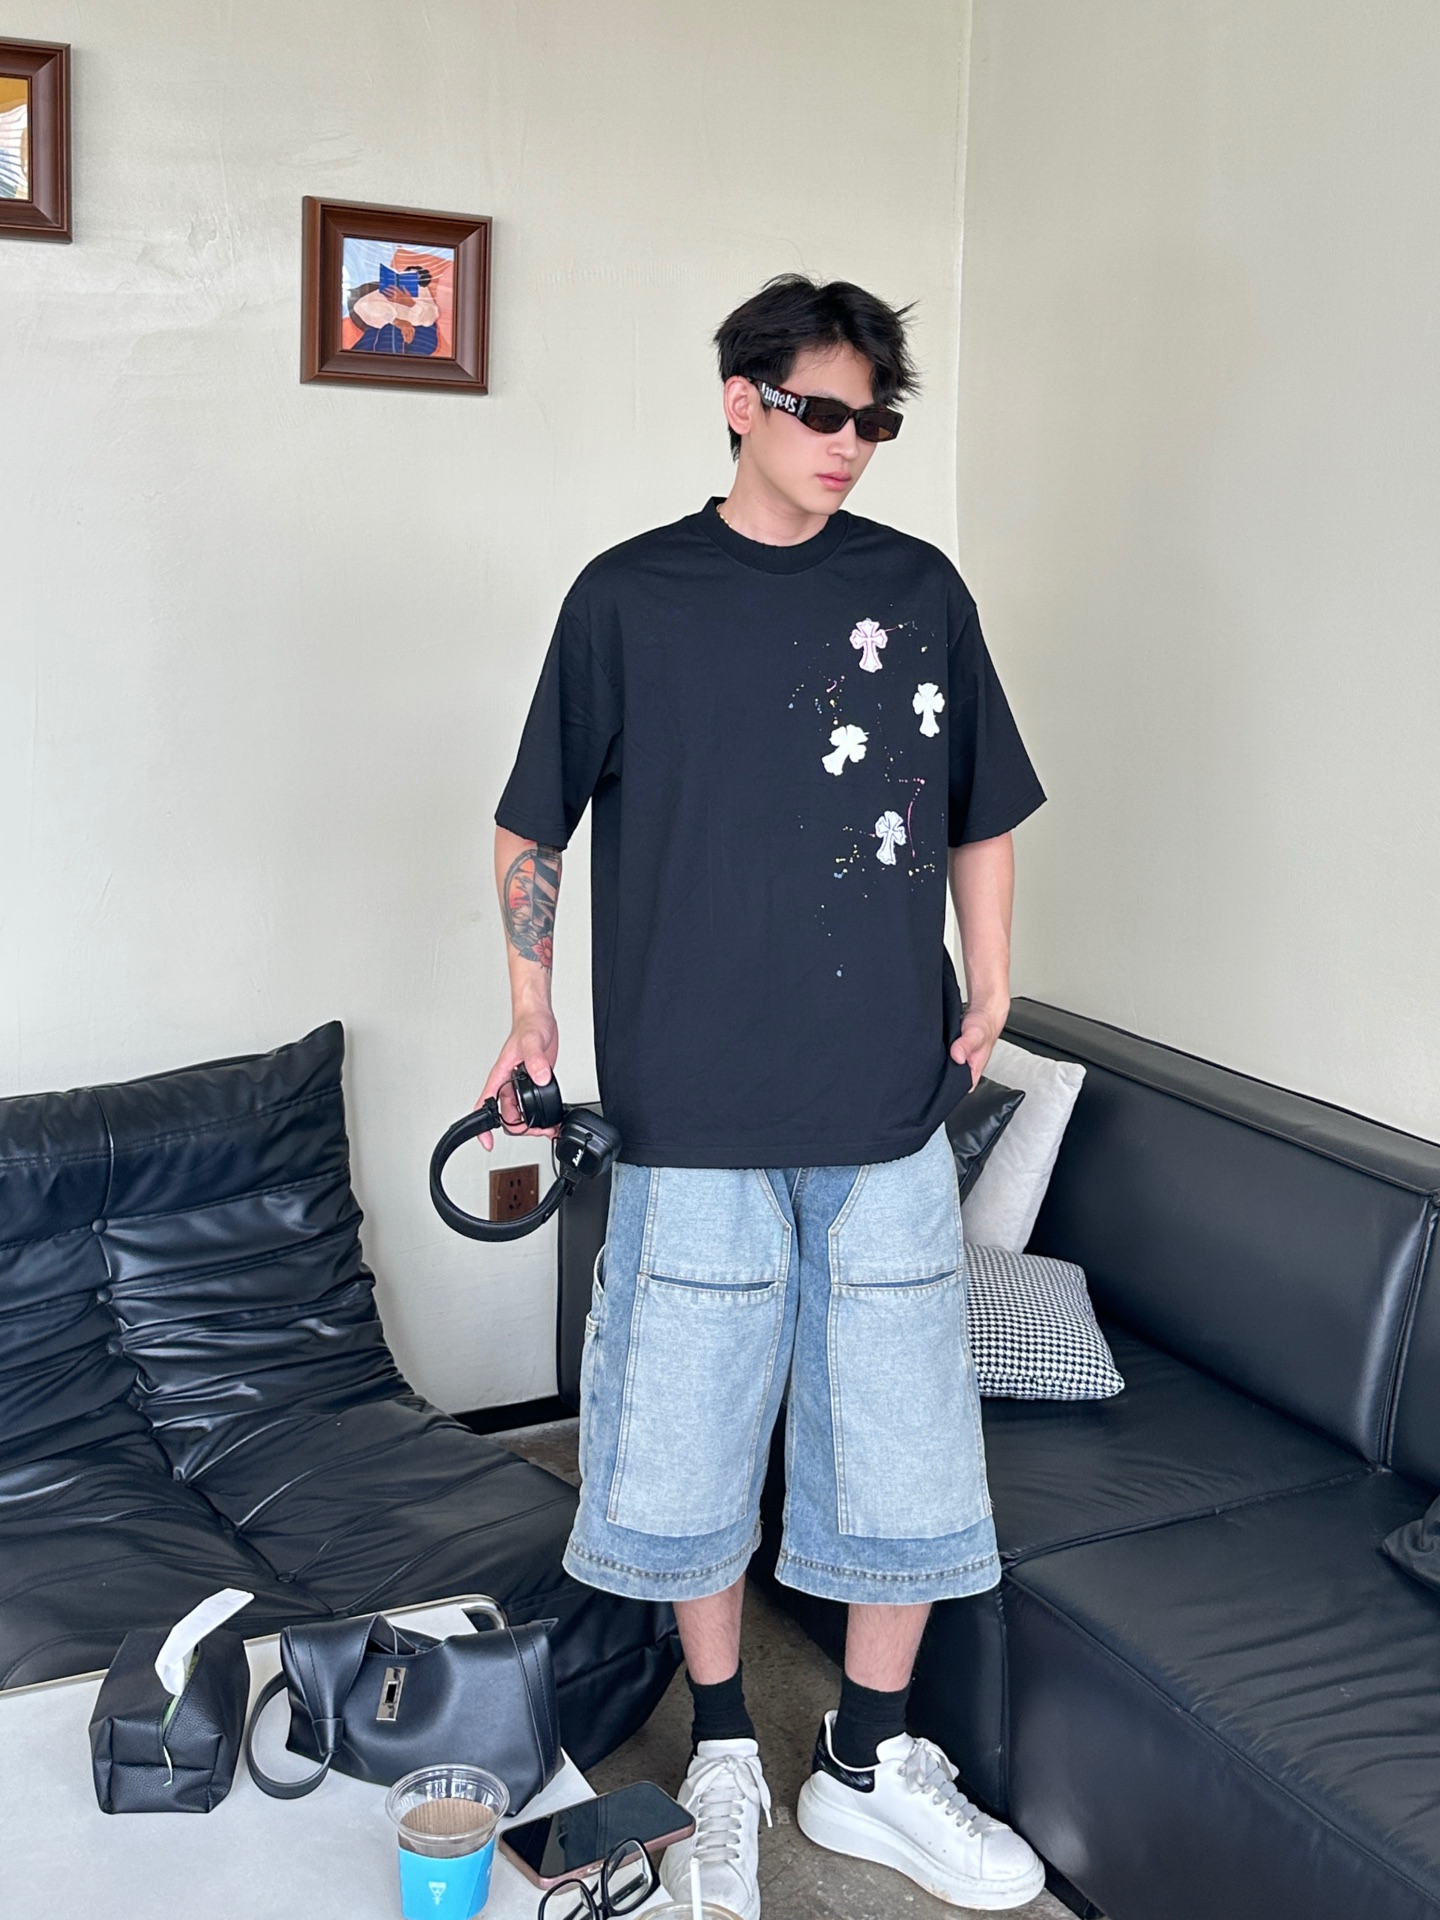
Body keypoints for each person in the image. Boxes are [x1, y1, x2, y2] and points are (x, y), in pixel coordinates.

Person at [480, 274, 1047, 1918]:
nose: (850, 443)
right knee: (686, 1442)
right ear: (741, 400)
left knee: (905, 1445)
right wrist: (530, 1009)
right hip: (692, 1109)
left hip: (886, 1104)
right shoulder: (629, 597)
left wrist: (991, 977)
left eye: (878, 419)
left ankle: (867, 1761)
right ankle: (724, 1747)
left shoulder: (919, 590)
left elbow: (979, 805)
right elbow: (532, 821)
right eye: (822, 411)